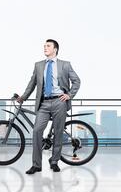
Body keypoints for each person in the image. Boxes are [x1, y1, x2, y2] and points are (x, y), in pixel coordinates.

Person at [17, 39, 81, 174]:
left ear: (55, 49)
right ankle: (36, 165)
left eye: (48, 46)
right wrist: (23, 97)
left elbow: (76, 81)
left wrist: (69, 95)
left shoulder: (65, 65)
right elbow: (32, 84)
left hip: (60, 102)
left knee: (58, 133)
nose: (45, 48)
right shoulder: (38, 65)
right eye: (44, 46)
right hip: (44, 103)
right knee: (36, 131)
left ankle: (54, 161)